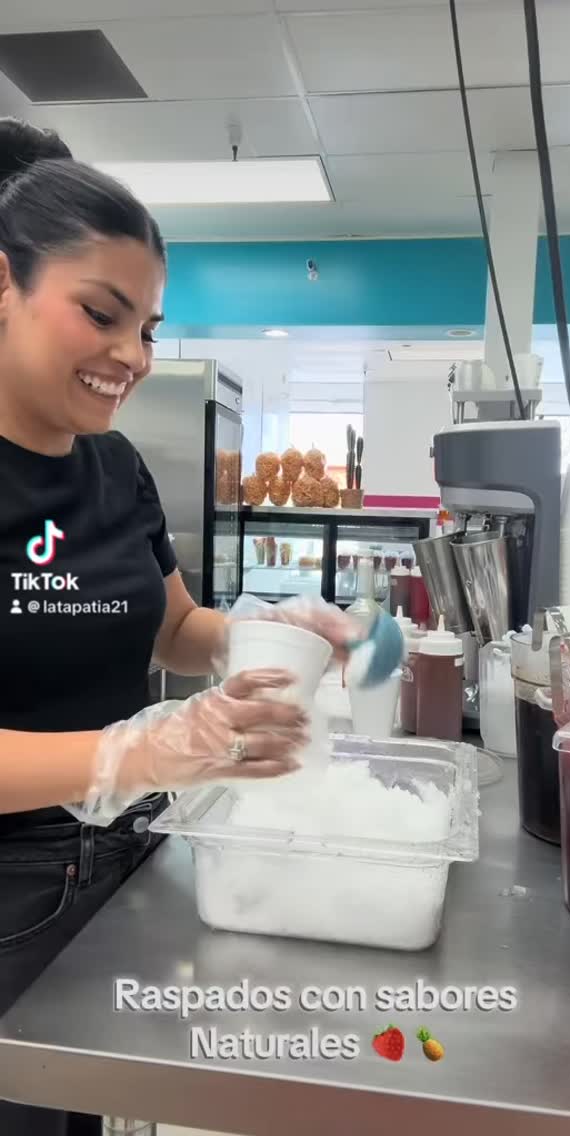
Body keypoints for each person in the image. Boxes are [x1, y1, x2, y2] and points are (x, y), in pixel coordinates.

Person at [0, 119, 355, 1135]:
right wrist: (143, 745)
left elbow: (173, 625)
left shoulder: (115, 466)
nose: (133, 355)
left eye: (149, 326)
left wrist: (260, 633)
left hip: (126, 860)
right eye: (101, 313)